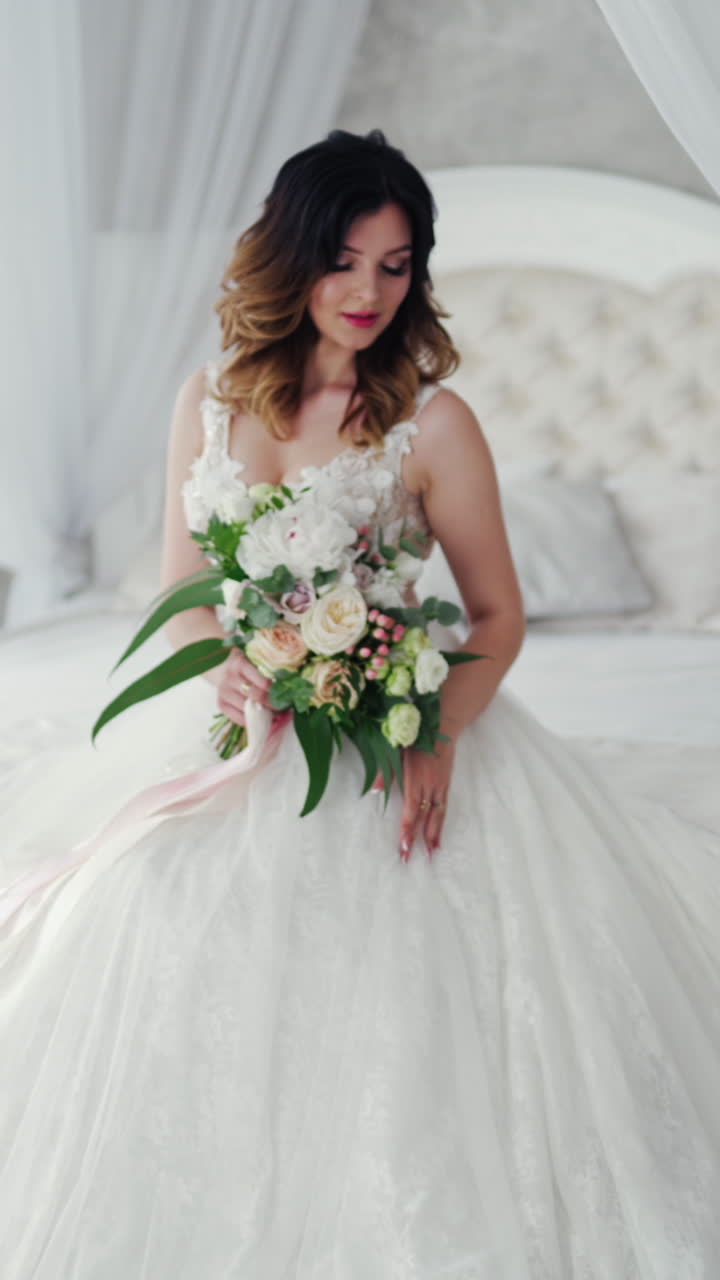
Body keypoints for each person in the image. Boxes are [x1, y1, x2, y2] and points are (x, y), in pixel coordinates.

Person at [1, 128, 719, 1279]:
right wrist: (221, 663)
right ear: (291, 257)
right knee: (128, 913)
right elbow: (185, 585)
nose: (370, 292)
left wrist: (432, 726)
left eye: (396, 265)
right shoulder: (208, 396)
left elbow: (496, 617)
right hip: (236, 727)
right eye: (346, 260)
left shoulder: (433, 424)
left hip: (392, 725)